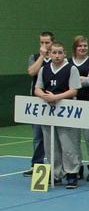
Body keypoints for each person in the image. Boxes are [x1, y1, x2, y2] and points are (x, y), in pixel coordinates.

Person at [34, 42, 82, 188]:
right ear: (49, 54)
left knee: (68, 144)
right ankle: (55, 174)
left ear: (64, 54)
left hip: (66, 112)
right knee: (50, 145)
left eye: (60, 52)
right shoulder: (44, 69)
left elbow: (74, 90)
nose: (57, 55)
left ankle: (72, 173)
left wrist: (55, 97)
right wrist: (44, 96)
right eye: (54, 52)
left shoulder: (71, 69)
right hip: (48, 112)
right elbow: (37, 88)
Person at [70, 35, 89, 182]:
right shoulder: (68, 62)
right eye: (80, 46)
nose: (83, 48)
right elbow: (65, 81)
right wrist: (83, 79)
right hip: (72, 106)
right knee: (74, 139)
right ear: (75, 48)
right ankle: (77, 167)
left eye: (85, 46)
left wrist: (77, 80)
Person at [24, 31, 54, 176]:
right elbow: (31, 72)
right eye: (42, 42)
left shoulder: (57, 57)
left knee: (54, 136)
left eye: (47, 42)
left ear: (52, 42)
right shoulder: (34, 57)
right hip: (37, 102)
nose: (44, 45)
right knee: (38, 135)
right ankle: (37, 164)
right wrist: (42, 56)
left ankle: (56, 165)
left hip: (55, 101)